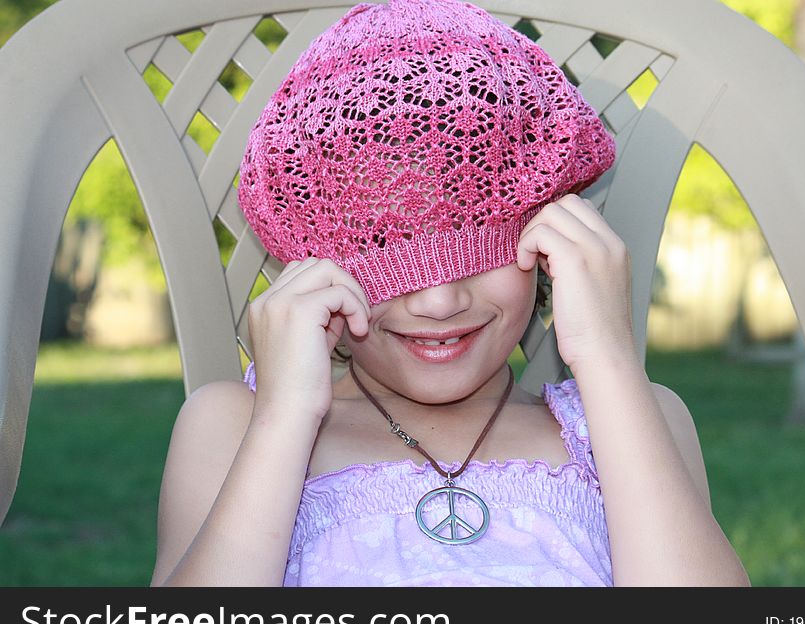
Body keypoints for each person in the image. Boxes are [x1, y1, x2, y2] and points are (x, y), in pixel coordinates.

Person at [151, 0, 750, 587]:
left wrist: (608, 359)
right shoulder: (235, 427)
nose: (438, 302)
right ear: (313, 265)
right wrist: (284, 419)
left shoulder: (631, 423)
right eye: (385, 243)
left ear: (548, 240)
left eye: (474, 241)